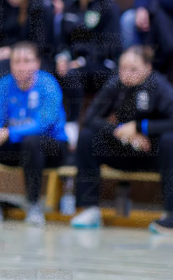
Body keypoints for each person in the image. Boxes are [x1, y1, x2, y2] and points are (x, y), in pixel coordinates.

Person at [69, 46, 173, 230]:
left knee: (169, 141)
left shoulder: (159, 86)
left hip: (153, 153)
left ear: (148, 68)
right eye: (123, 68)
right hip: (124, 149)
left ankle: (170, 214)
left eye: (134, 69)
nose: (127, 74)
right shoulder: (115, 84)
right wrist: (121, 130)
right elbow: (91, 118)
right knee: (87, 137)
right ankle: (89, 209)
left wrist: (140, 128)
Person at [0, 41, 67, 225]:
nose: (21, 66)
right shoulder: (5, 84)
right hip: (18, 146)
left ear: (37, 63)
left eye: (27, 61)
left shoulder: (48, 84)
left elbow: (43, 124)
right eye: (17, 61)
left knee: (32, 141)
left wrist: (9, 132)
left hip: (52, 148)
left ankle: (34, 205)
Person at [54, 0, 121, 127]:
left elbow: (110, 46)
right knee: (49, 69)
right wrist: (62, 57)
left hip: (101, 65)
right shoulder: (70, 7)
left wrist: (80, 62)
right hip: (73, 63)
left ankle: (73, 123)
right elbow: (62, 40)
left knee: (72, 74)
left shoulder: (108, 7)